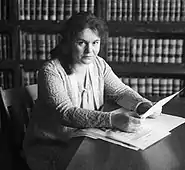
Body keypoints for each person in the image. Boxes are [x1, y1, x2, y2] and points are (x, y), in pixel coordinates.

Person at [23, 11, 162, 170]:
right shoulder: (51, 71)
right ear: (68, 42)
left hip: (85, 139)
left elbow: (120, 92)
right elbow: (65, 113)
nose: (90, 51)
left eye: (95, 43)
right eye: (82, 43)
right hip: (53, 147)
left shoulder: (99, 64)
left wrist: (142, 105)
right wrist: (112, 120)